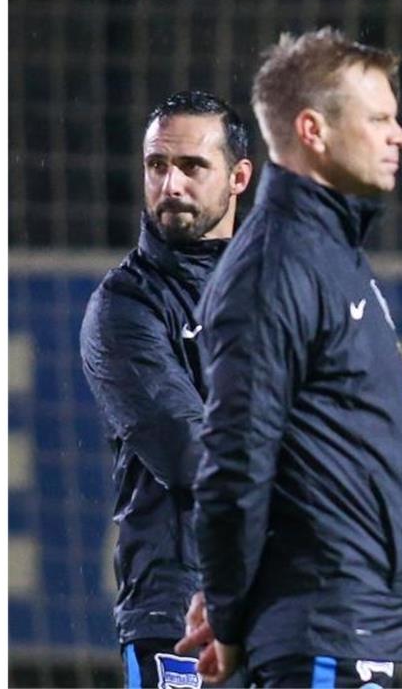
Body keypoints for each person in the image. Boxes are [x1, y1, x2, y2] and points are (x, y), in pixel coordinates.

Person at [173, 27, 402, 688]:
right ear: (313, 131)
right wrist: (230, 617)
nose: (399, 134)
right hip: (322, 626)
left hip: (357, 626)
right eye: (379, 118)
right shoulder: (276, 266)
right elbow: (234, 464)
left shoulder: (333, 256)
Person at [79, 90, 253, 688]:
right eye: (157, 165)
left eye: (192, 166)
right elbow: (188, 453)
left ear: (239, 178)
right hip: (176, 607)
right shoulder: (124, 307)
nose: (171, 183)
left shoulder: (278, 292)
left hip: (284, 603)